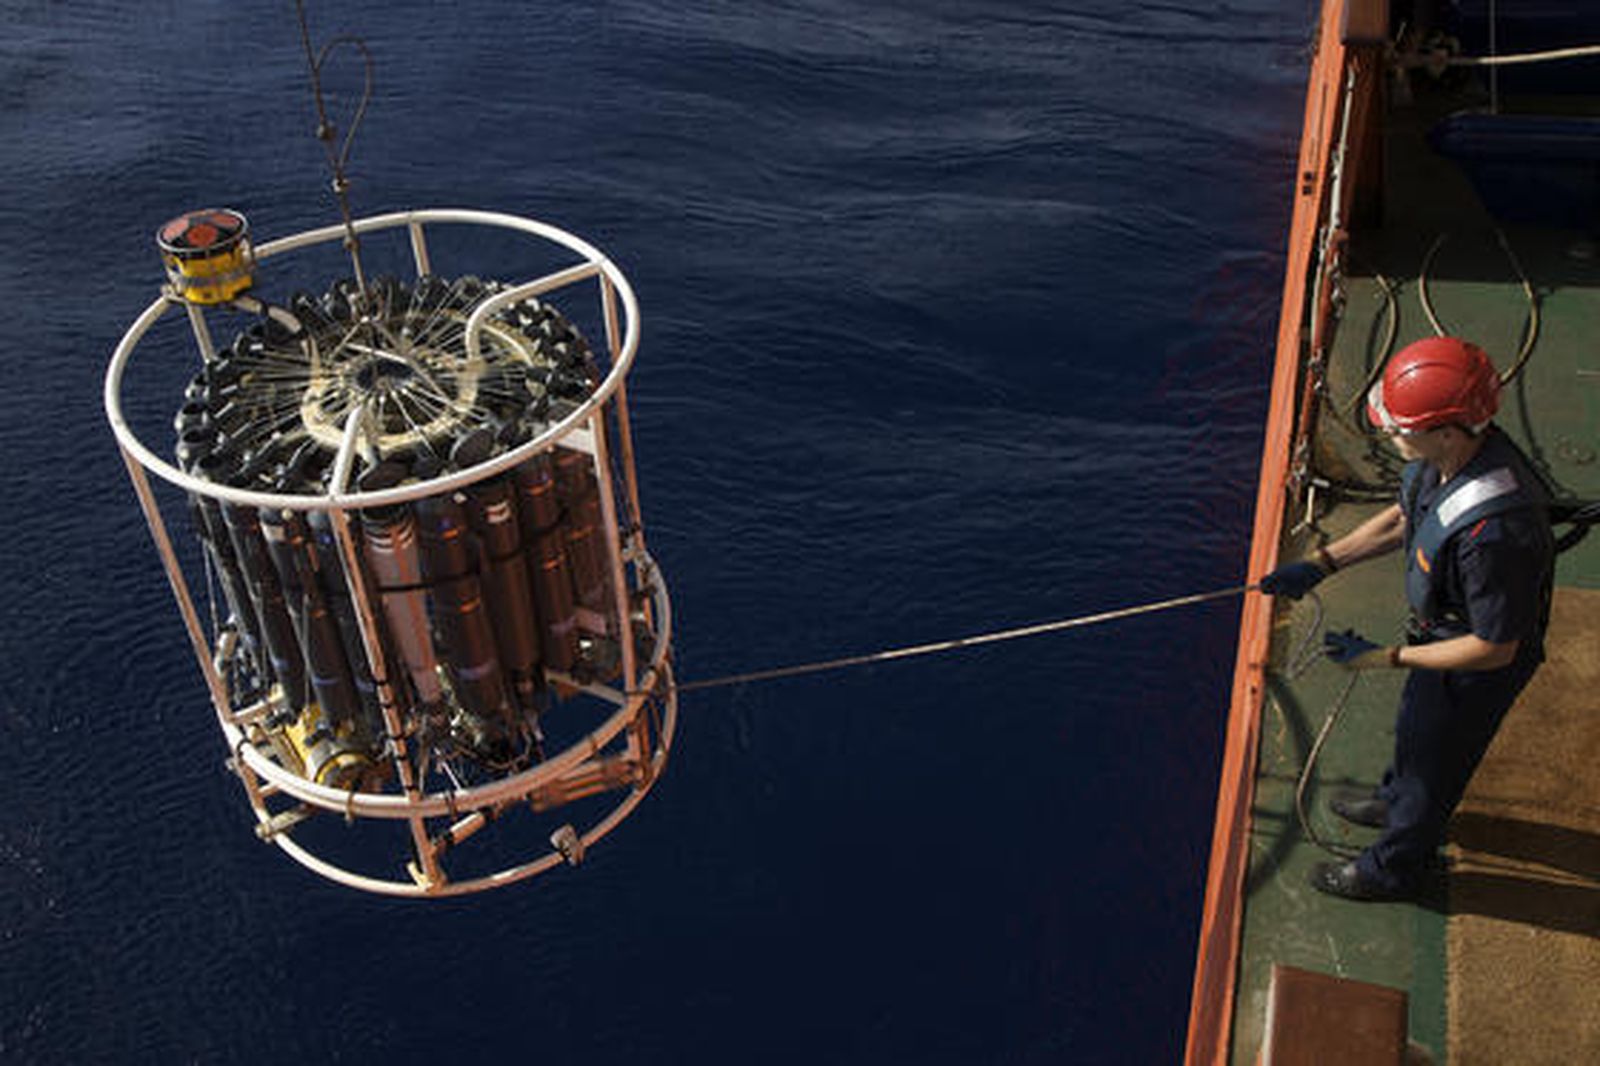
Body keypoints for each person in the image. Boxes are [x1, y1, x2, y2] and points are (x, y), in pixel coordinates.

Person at [1260, 336, 1555, 902]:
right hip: (1441, 638)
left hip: (1474, 666)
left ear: (1446, 430)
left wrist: (1386, 658)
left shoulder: (1494, 535)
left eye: (1400, 427)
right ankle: (1394, 800)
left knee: (1432, 767)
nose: (1389, 435)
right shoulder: (1443, 462)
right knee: (1414, 737)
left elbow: (1496, 647)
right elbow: (1404, 518)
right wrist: (1322, 564)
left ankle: (1393, 869)